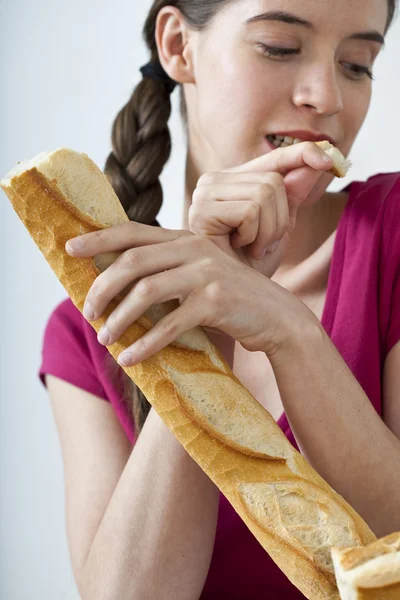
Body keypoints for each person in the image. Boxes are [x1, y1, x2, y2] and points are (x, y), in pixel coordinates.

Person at [38, 0, 400, 598]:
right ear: (179, 46)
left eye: (357, 64)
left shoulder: (390, 235)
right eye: (281, 48)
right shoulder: (89, 325)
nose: (327, 96)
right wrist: (209, 330)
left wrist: (286, 327)